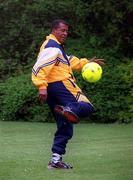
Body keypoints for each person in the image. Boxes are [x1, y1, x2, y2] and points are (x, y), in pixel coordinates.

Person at [32, 19, 104, 169]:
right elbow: (39, 67)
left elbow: (69, 61)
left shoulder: (57, 48)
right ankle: (70, 109)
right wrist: (41, 86)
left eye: (66, 31)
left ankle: (55, 160)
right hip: (61, 84)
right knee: (87, 106)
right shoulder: (52, 46)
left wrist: (86, 62)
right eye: (62, 30)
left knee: (65, 125)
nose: (65, 33)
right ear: (54, 30)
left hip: (52, 89)